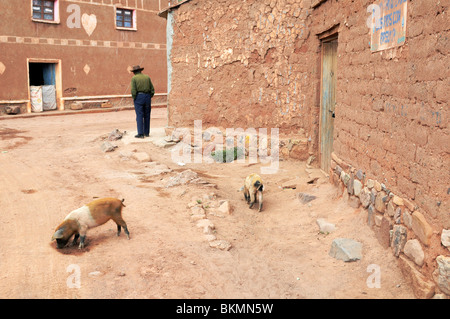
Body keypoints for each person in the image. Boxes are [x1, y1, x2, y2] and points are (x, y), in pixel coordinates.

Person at [130, 65, 155, 138]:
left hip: (139, 97)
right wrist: (149, 96)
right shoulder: (147, 77)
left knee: (139, 115)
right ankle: (146, 133)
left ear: (134, 72)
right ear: (140, 71)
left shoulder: (134, 78)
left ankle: (140, 133)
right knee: (147, 115)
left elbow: (133, 90)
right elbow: (152, 89)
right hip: (147, 97)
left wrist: (134, 98)